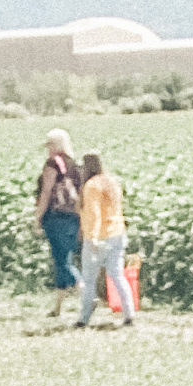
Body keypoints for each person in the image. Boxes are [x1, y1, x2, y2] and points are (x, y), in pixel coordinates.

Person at [77, 148, 133, 329]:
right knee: (117, 275)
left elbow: (94, 213)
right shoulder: (112, 182)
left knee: (89, 278)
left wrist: (92, 237)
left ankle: (84, 317)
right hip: (117, 232)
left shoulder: (92, 186)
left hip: (99, 236)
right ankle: (129, 313)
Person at [32, 126, 83, 318]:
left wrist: (38, 216)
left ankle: (85, 293)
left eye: (50, 144)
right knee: (64, 258)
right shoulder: (74, 165)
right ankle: (58, 307)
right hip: (73, 217)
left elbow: (46, 192)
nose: (48, 148)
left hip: (56, 217)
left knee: (62, 261)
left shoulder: (53, 164)